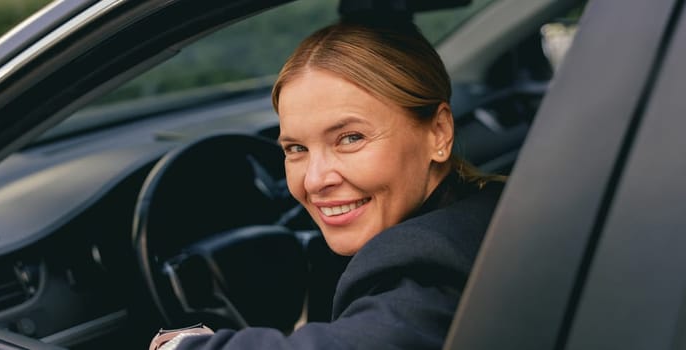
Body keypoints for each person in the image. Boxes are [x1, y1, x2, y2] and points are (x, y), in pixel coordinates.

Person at [149, 19, 505, 350]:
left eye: (350, 138)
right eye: (296, 148)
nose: (316, 180)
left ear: (438, 133)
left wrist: (184, 346)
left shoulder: (426, 264)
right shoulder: (491, 210)